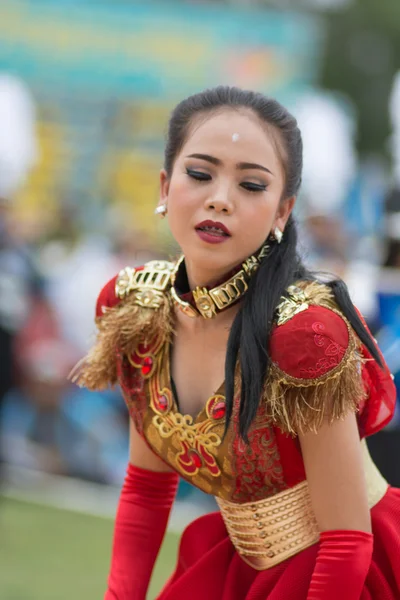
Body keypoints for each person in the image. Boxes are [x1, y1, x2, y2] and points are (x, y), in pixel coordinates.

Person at [73, 87, 399, 600]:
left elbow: (346, 541)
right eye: (199, 174)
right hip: (243, 566)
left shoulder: (306, 337)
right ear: (164, 187)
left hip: (350, 572)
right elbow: (146, 491)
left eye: (251, 185)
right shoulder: (134, 308)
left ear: (281, 212)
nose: (220, 198)